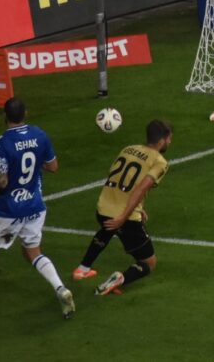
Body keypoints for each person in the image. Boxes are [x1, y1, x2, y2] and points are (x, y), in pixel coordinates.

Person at [0, 98, 75, 321]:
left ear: (4, 116)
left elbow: (2, 181)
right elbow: (53, 166)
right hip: (35, 206)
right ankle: (60, 288)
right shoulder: (40, 135)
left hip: (9, 210)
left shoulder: (0, 145)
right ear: (26, 113)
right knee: (33, 252)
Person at [73, 119, 173, 297]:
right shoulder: (160, 161)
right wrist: (124, 216)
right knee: (149, 263)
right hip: (125, 218)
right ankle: (120, 279)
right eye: (169, 139)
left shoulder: (128, 149)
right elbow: (141, 188)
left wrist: (138, 208)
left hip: (102, 208)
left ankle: (82, 269)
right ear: (161, 140)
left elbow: (117, 178)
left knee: (107, 228)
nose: (170, 142)